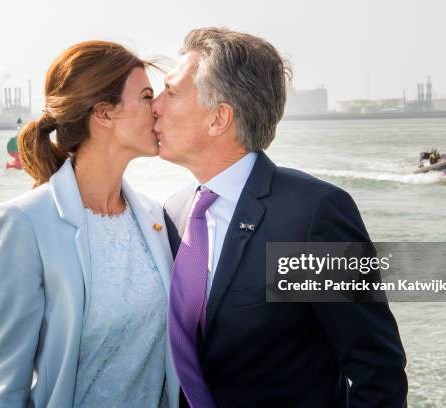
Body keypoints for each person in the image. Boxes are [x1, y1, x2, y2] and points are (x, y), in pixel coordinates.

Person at [153, 27, 408, 407]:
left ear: (218, 118)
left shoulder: (313, 215)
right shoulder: (171, 214)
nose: (154, 105)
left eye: (170, 92)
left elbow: (378, 372)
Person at [0, 41, 178, 408]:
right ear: (103, 113)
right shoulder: (23, 224)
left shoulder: (156, 218)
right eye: (147, 96)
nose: (159, 107)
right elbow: (4, 390)